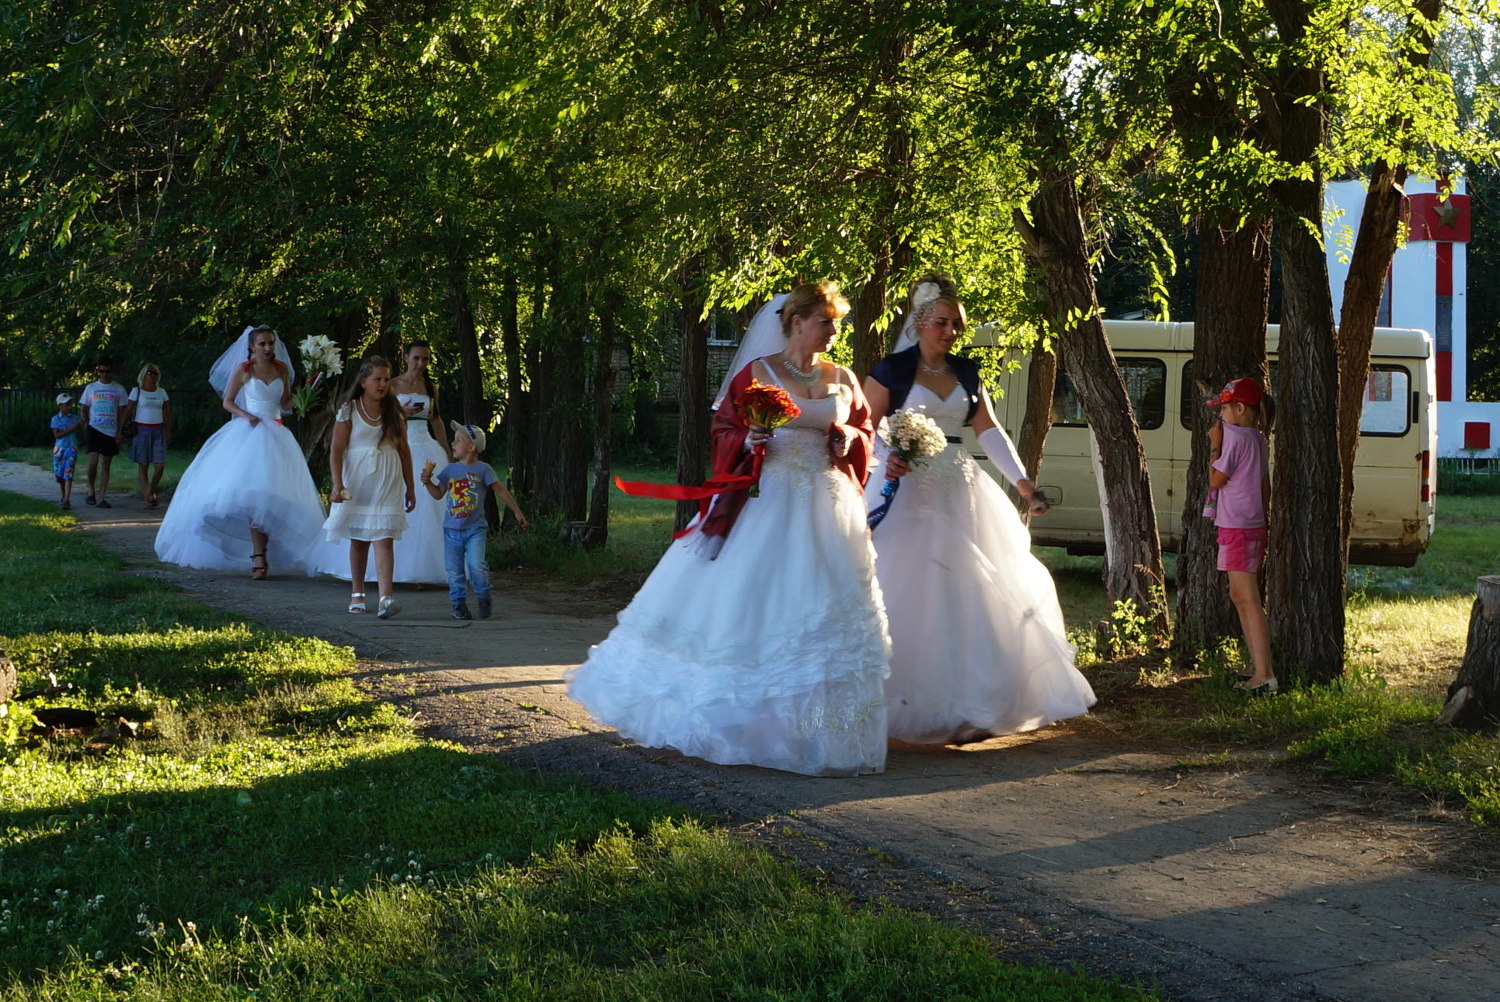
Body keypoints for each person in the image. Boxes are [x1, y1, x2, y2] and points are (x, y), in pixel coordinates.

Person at [567, 282, 891, 777]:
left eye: (836, 323)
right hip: (769, 502)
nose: (833, 331)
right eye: (826, 321)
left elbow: (865, 429)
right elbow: (724, 429)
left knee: (825, 617)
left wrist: (848, 436)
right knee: (757, 604)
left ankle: (818, 734)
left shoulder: (844, 377)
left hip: (830, 508)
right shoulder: (756, 375)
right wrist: (749, 437)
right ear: (797, 321)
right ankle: (740, 722)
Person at [863, 277, 1095, 745]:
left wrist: (1023, 483)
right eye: (941, 323)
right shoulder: (892, 370)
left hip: (958, 483)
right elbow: (863, 426)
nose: (950, 331)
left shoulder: (966, 373)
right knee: (905, 586)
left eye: (956, 324)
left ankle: (972, 703)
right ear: (920, 323)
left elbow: (989, 432)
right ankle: (895, 705)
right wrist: (885, 454)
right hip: (904, 487)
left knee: (970, 586)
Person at [155, 325, 327, 578]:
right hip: (251, 434)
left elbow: (285, 403)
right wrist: (246, 415)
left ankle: (268, 553)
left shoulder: (282, 369)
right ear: (251, 346)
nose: (268, 348)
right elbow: (228, 401)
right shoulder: (244, 370)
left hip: (277, 435)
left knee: (273, 496)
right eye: (263, 344)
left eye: (271, 343)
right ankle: (258, 556)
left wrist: (307, 392)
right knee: (253, 496)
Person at [324, 356, 416, 619]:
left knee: (384, 536)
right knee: (360, 539)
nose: (383, 384)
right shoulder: (349, 409)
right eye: (377, 379)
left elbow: (404, 450)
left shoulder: (395, 411)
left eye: (387, 379)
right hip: (357, 478)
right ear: (363, 382)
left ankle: (386, 598)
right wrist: (337, 483)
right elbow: (337, 449)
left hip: (387, 476)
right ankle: (358, 593)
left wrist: (410, 487)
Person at [1207, 376, 1277, 694]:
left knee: (1247, 599)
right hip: (1252, 523)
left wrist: (1214, 445)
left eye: (1223, 408)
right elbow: (1264, 484)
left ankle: (1264, 674)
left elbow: (1216, 480)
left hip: (1237, 525)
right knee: (1242, 597)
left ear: (1238, 408)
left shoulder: (1232, 437)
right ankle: (1256, 666)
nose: (1220, 415)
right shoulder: (1258, 438)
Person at [421, 421, 529, 620]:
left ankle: (482, 595)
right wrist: (427, 482)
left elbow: (500, 490)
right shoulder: (449, 470)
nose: (453, 444)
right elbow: (437, 494)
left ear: (471, 447)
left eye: (458, 441)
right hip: (451, 530)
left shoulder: (483, 469)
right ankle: (459, 604)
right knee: (454, 571)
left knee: (476, 564)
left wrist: (517, 511)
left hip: (475, 529)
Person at [390, 342, 452, 585]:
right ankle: (394, 567)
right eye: (416, 358)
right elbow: (381, 417)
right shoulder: (393, 384)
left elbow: (436, 420)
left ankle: (423, 569)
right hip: (400, 444)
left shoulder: (430, 387)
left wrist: (446, 452)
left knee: (428, 508)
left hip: (426, 445)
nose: (420, 364)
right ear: (406, 358)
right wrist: (400, 414)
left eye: (425, 359)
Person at [78, 358, 129, 508]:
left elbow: (122, 412)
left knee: (106, 464)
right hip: (94, 427)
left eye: (107, 371)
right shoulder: (91, 387)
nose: (104, 374)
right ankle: (90, 490)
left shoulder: (118, 389)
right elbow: (84, 407)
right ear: (97, 371)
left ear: (111, 371)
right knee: (93, 461)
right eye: (101, 371)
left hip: (110, 431)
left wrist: (120, 432)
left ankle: (101, 497)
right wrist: (86, 422)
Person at [124, 362, 171, 508]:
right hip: (141, 429)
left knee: (159, 465)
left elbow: (167, 413)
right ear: (144, 374)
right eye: (150, 373)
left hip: (158, 430)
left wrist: (168, 430)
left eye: (156, 373)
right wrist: (120, 428)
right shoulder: (137, 391)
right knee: (143, 464)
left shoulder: (161, 392)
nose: (153, 376)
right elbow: (128, 410)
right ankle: (148, 497)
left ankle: (151, 490)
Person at [50, 393, 82, 509]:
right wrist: (73, 428)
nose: (68, 406)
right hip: (60, 449)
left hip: (71, 448)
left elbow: (80, 434)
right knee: (60, 475)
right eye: (65, 404)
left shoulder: (75, 418)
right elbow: (57, 435)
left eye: (70, 404)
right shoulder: (55, 419)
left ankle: (67, 499)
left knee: (68, 474)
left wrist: (80, 428)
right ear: (59, 405)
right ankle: (63, 496)